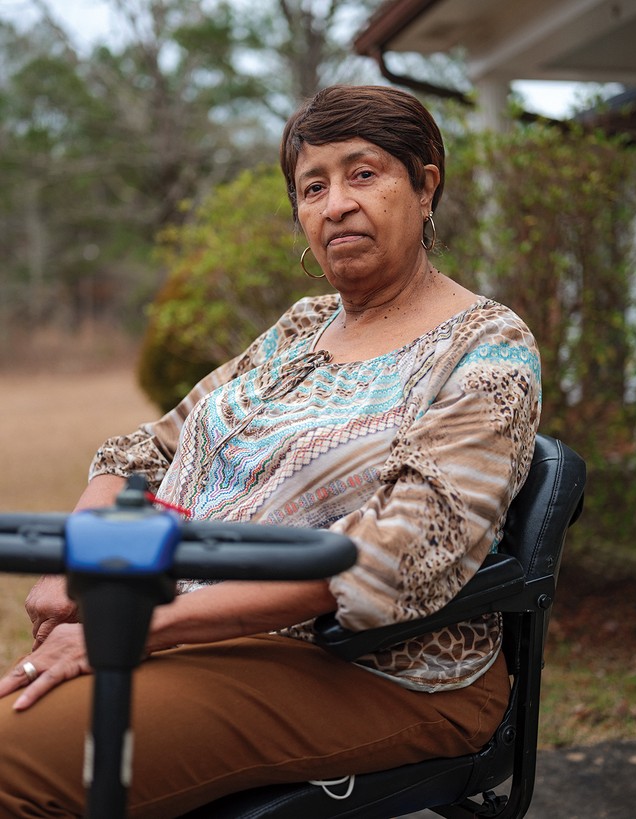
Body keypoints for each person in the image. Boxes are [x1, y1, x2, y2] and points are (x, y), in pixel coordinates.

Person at [0, 85, 541, 818]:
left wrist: (126, 625)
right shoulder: (301, 328)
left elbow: (397, 554)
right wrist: (85, 559)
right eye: (311, 186)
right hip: (207, 628)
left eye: (363, 173)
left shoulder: (486, 347)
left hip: (377, 669)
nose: (335, 204)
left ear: (425, 185)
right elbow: (145, 450)